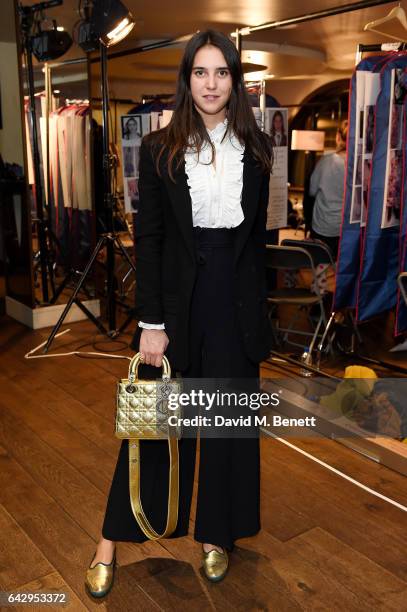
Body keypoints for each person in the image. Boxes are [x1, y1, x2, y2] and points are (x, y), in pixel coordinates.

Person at [85, 29, 273, 597]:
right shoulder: (162, 149)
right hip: (178, 305)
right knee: (153, 426)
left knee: (226, 429)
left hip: (234, 308)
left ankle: (218, 535)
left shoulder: (258, 150)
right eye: (201, 72)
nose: (211, 84)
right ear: (187, 78)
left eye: (221, 73)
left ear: (234, 82)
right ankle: (109, 540)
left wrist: (256, 320)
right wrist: (151, 322)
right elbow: (150, 242)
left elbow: (255, 245)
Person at [309, 120, 348, 259]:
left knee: (321, 267)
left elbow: (312, 191)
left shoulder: (326, 162)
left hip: (322, 226)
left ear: (338, 137)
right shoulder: (358, 165)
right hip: (345, 228)